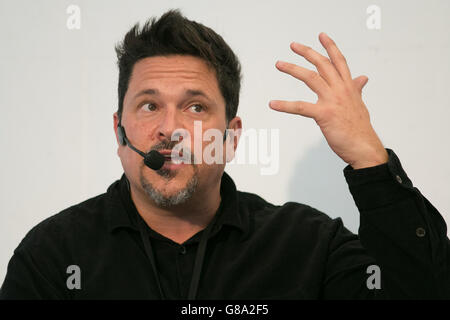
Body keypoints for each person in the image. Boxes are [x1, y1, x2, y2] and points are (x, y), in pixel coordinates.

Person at [1, 8, 448, 300]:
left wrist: (370, 160)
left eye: (195, 107)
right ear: (119, 132)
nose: (170, 128)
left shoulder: (310, 248)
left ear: (231, 137)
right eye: (149, 105)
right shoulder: (52, 258)